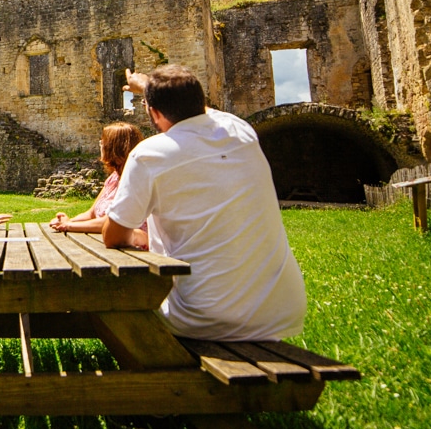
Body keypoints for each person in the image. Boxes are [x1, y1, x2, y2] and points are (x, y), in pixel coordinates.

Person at [102, 65, 306, 341]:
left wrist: (137, 235)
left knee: (117, 296)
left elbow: (113, 236)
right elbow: (198, 109)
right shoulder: (241, 131)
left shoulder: (149, 154)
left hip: (202, 318)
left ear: (154, 112)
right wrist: (150, 89)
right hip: (278, 312)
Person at [50, 122, 143, 234]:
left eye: (103, 142)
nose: (100, 144)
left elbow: (112, 223)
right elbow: (91, 214)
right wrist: (67, 222)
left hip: (129, 243)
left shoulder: (133, 181)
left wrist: (68, 225)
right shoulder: (114, 178)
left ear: (115, 148)